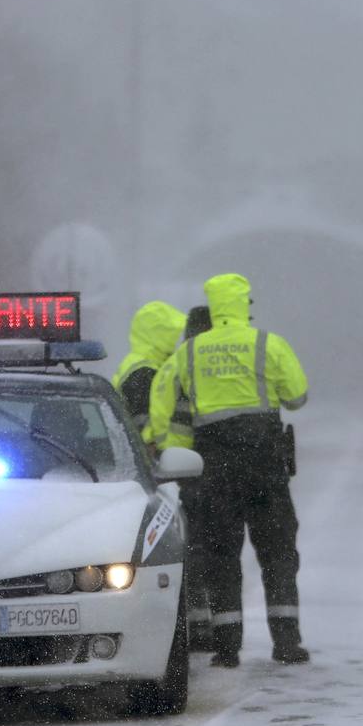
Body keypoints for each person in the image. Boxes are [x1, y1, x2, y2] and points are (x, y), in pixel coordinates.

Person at [150, 274, 309, 667]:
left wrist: (154, 439)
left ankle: (226, 648)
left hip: (216, 466)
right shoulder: (267, 344)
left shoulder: (188, 353)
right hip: (265, 466)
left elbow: (162, 396)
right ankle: (286, 644)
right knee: (277, 552)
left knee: (222, 554)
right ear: (244, 306)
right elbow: (297, 396)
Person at [149, 306, 215, 650]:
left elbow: (166, 419)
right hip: (209, 467)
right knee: (215, 548)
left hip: (185, 469)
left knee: (197, 547)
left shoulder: (181, 363)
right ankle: (213, 627)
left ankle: (201, 625)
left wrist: (165, 453)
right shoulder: (209, 365)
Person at [112, 301, 186, 440]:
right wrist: (149, 447)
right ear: (158, 334)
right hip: (145, 451)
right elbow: (142, 422)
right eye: (171, 333)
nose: (175, 340)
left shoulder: (134, 363)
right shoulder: (144, 372)